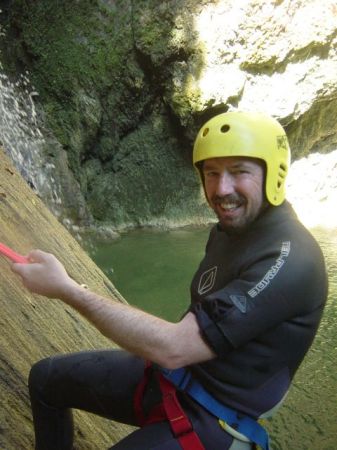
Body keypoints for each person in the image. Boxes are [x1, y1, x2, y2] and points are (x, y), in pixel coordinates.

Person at [12, 111, 328, 450]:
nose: (222, 189)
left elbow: (174, 348)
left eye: (239, 172)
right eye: (211, 172)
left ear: (272, 175)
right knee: (46, 380)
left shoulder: (290, 259)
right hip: (180, 379)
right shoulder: (232, 230)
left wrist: (67, 289)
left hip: (218, 419)